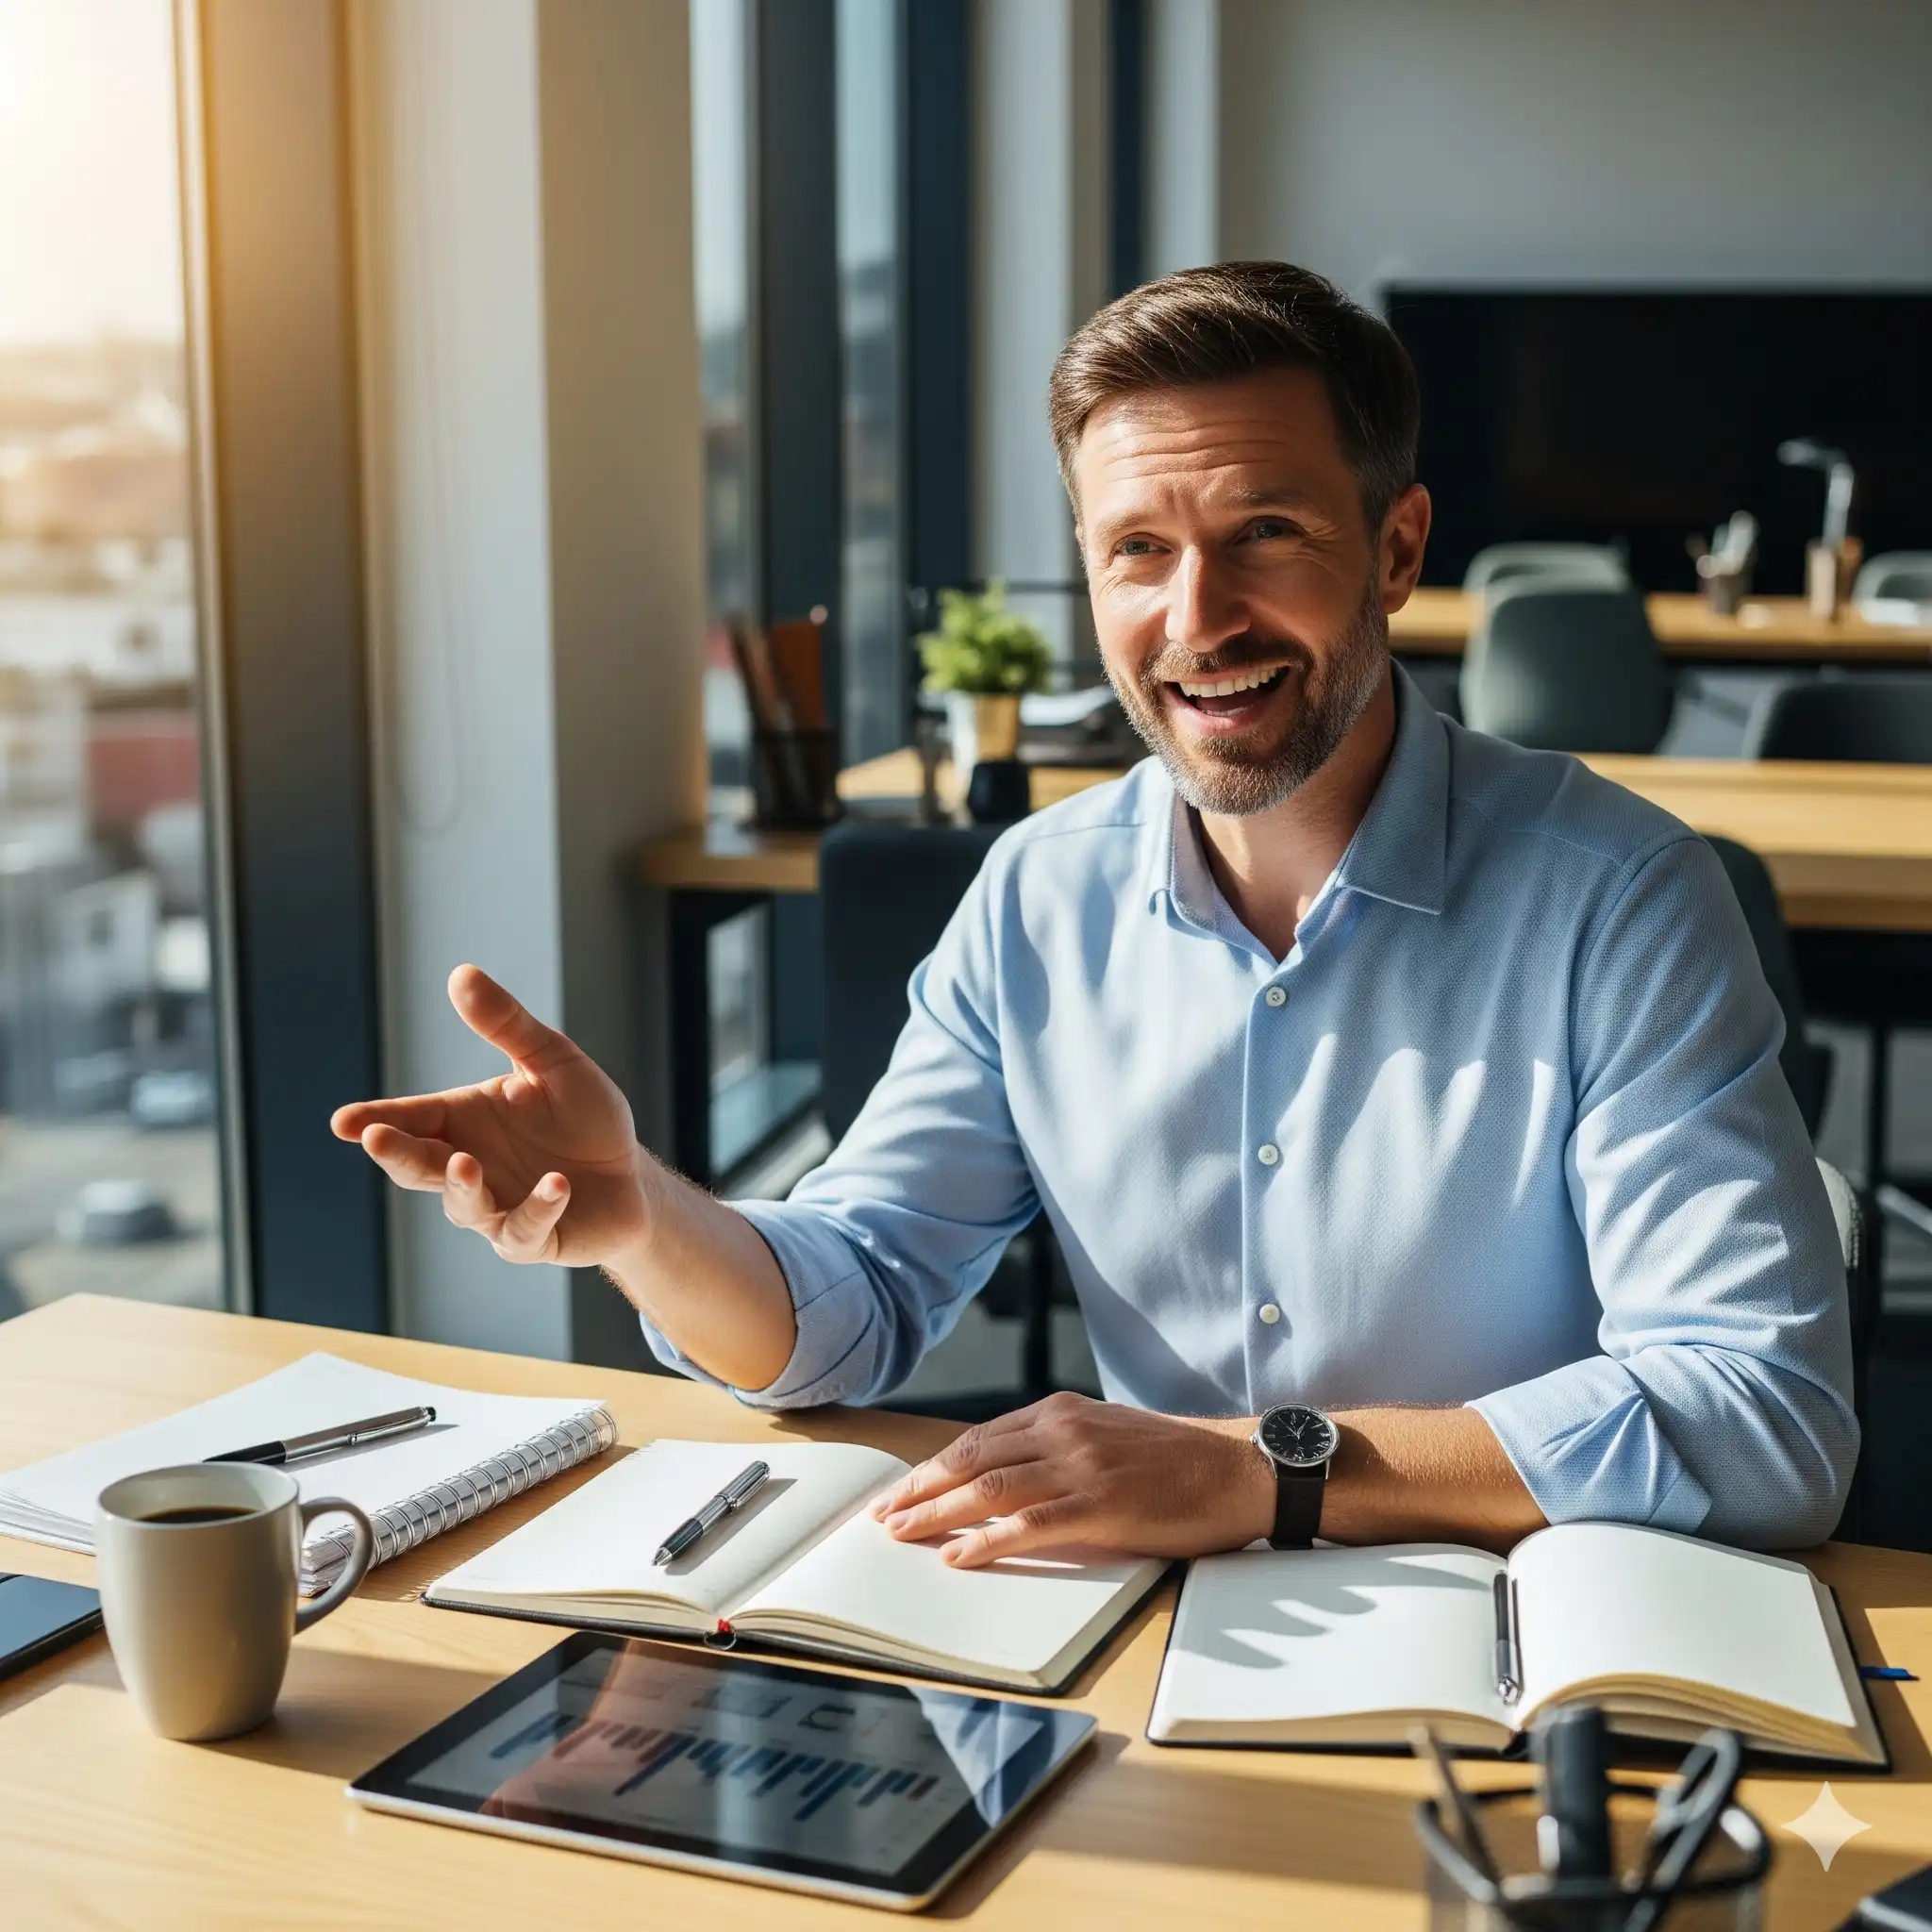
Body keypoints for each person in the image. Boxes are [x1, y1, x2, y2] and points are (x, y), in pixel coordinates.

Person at [335, 261, 1856, 1571]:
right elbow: (856, 1300)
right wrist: (644, 1217)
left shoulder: (1622, 896)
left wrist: (1272, 1470)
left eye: (1266, 532)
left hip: (1541, 1632)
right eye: (1139, 549)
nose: (1195, 620)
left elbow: (1766, 1416)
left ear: (1396, 550)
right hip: (1163, 1625)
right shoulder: (1038, 897)